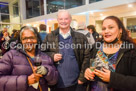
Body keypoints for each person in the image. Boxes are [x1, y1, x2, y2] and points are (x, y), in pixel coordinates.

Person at [83, 16, 136, 91]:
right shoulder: (96, 47)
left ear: (120, 30)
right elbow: (87, 64)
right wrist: (87, 71)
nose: (106, 31)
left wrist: (112, 78)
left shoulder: (131, 51)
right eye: (104, 28)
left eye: (111, 27)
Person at [0, 26, 58, 91]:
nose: (29, 41)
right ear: (21, 41)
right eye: (25, 38)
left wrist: (47, 72)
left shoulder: (45, 56)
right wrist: (26, 81)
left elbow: (54, 80)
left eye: (32, 38)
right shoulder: (10, 56)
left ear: (37, 39)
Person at [44, 10, 90, 91]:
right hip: (56, 83)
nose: (63, 21)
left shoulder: (81, 37)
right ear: (57, 20)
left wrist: (82, 78)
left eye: (66, 19)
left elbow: (86, 58)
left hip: (76, 83)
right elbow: (42, 54)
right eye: (61, 19)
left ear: (70, 20)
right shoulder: (49, 37)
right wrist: (52, 56)